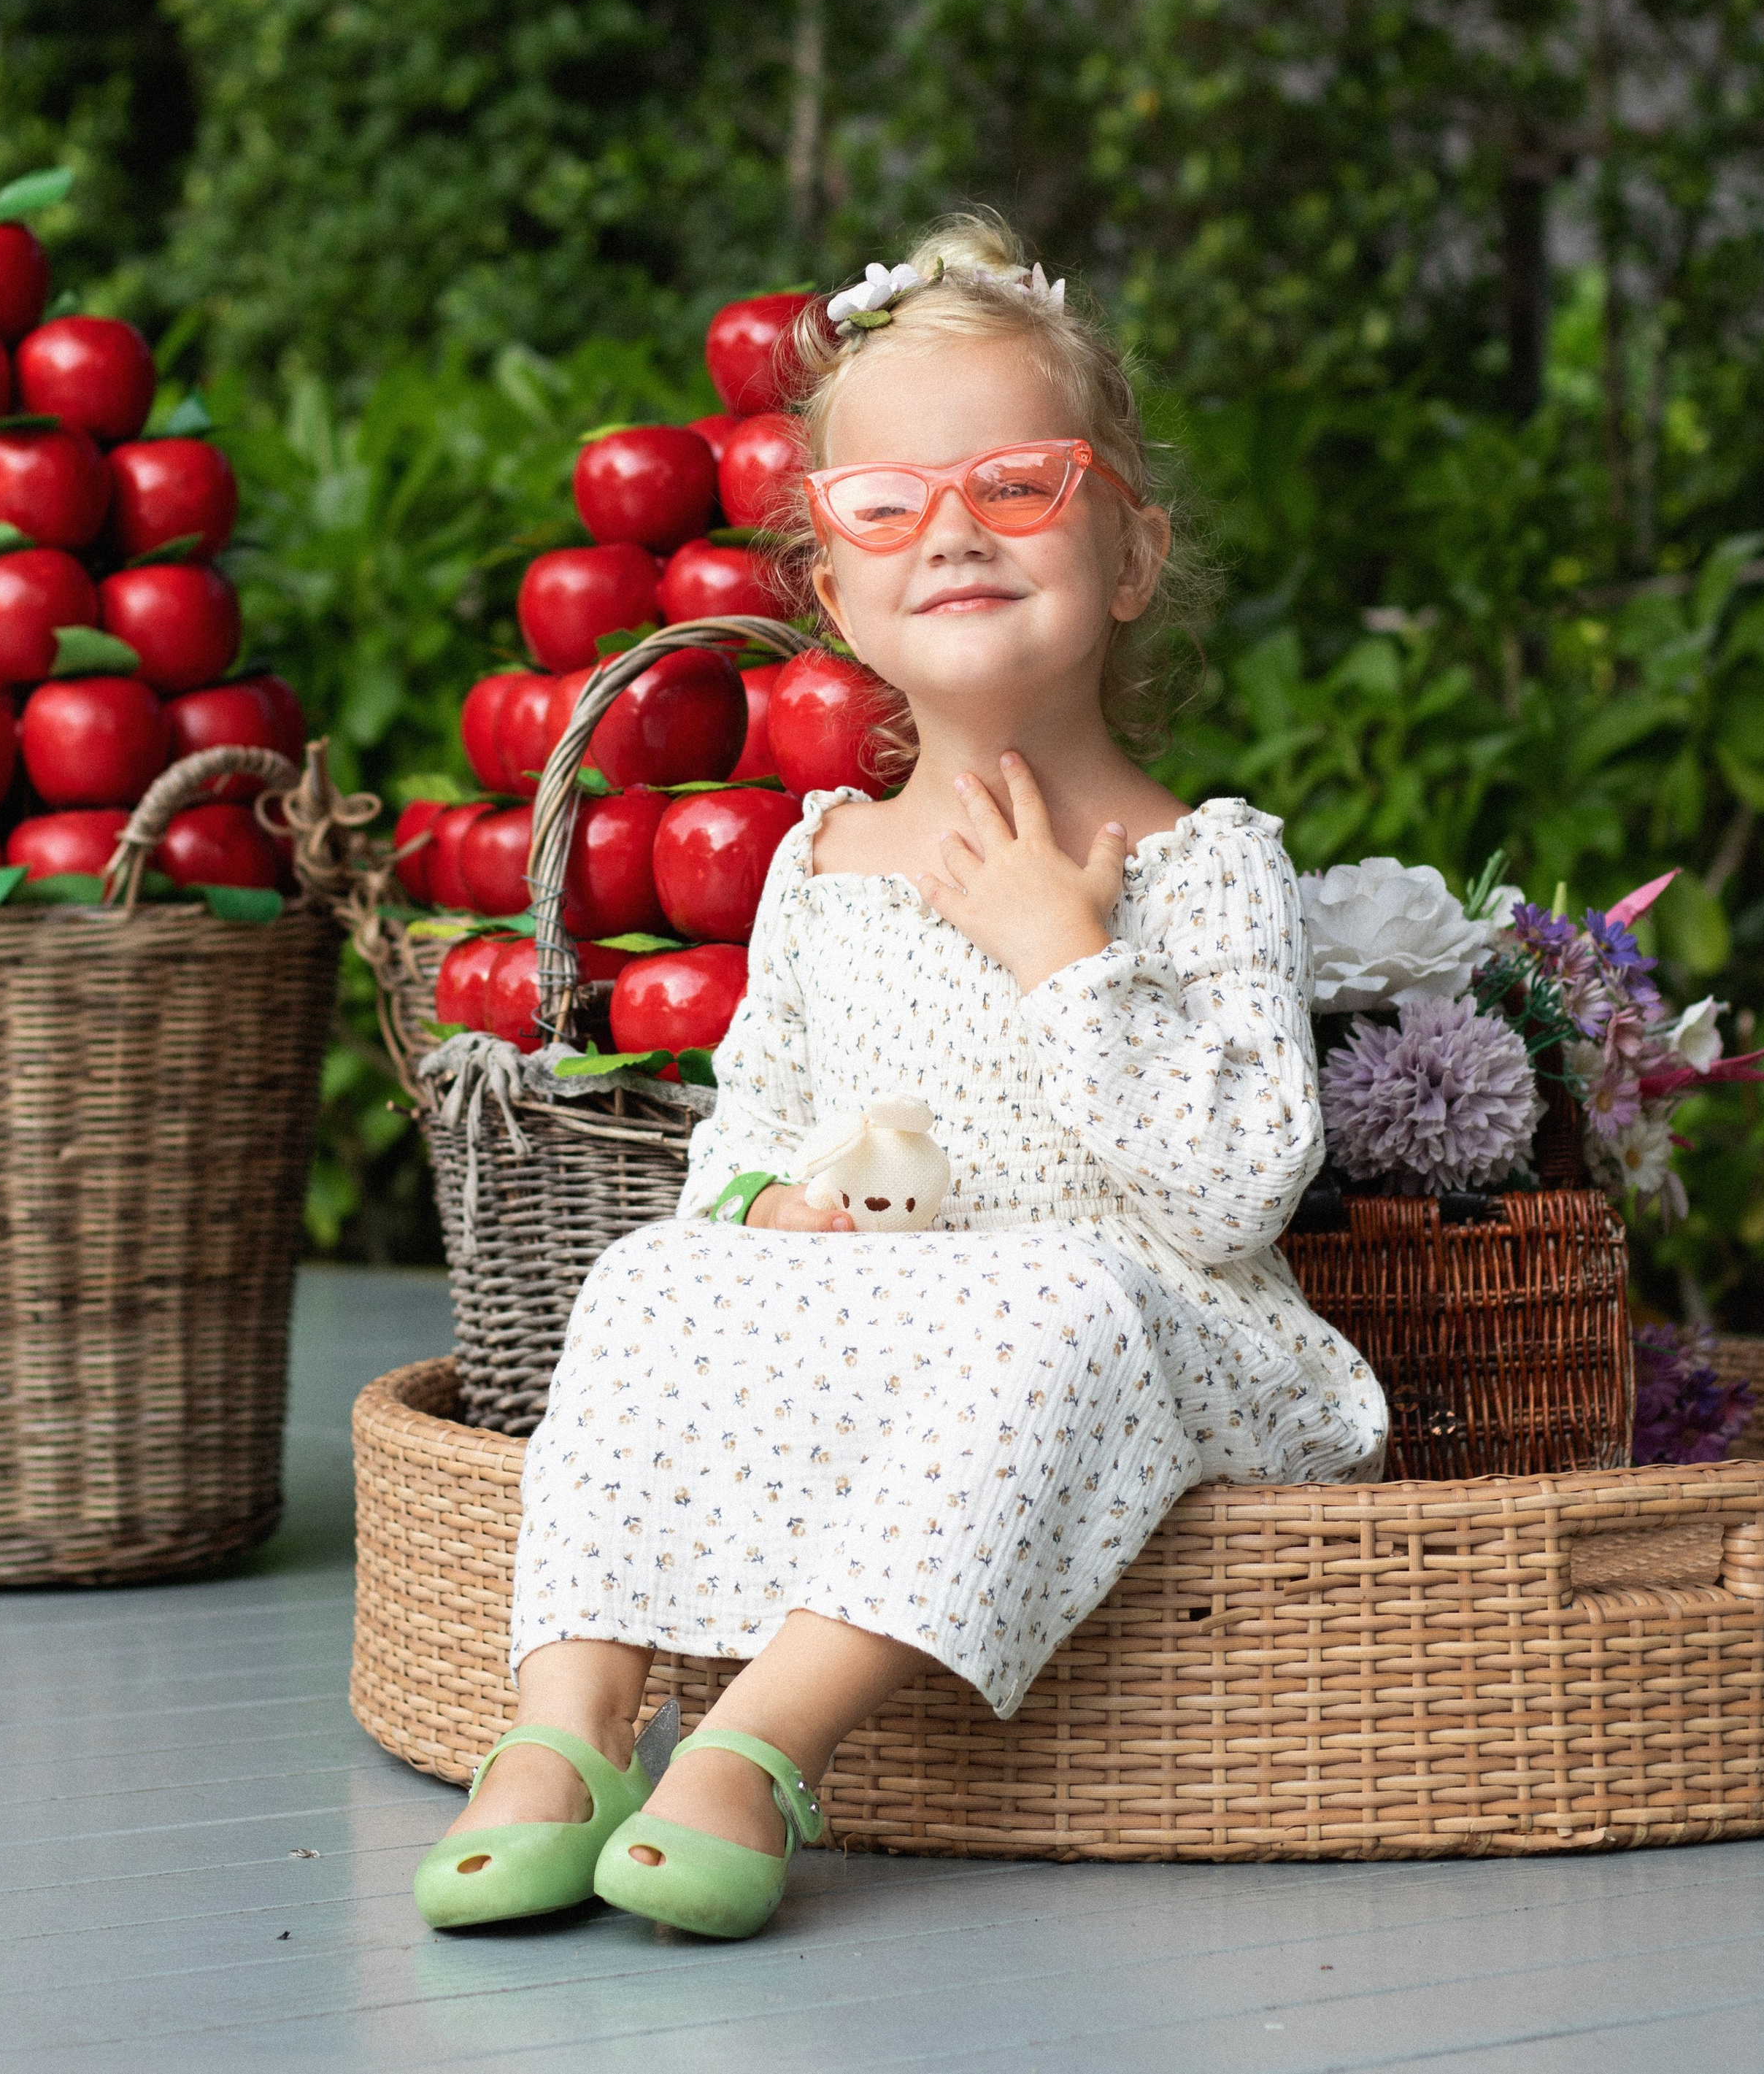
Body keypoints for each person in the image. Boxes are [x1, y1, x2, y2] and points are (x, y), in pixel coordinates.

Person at [413, 212, 1387, 1942]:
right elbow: (746, 1124)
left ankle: (754, 1745)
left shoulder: (1202, 862)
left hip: (1147, 1343)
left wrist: (1064, 955)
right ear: (836, 594)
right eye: (886, 506)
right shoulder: (819, 863)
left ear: (1131, 552)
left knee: (1055, 1297)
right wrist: (766, 1204)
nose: (952, 530)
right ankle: (567, 1725)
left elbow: (1237, 1194)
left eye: (1015, 485)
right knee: (644, 1273)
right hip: (884, 1326)